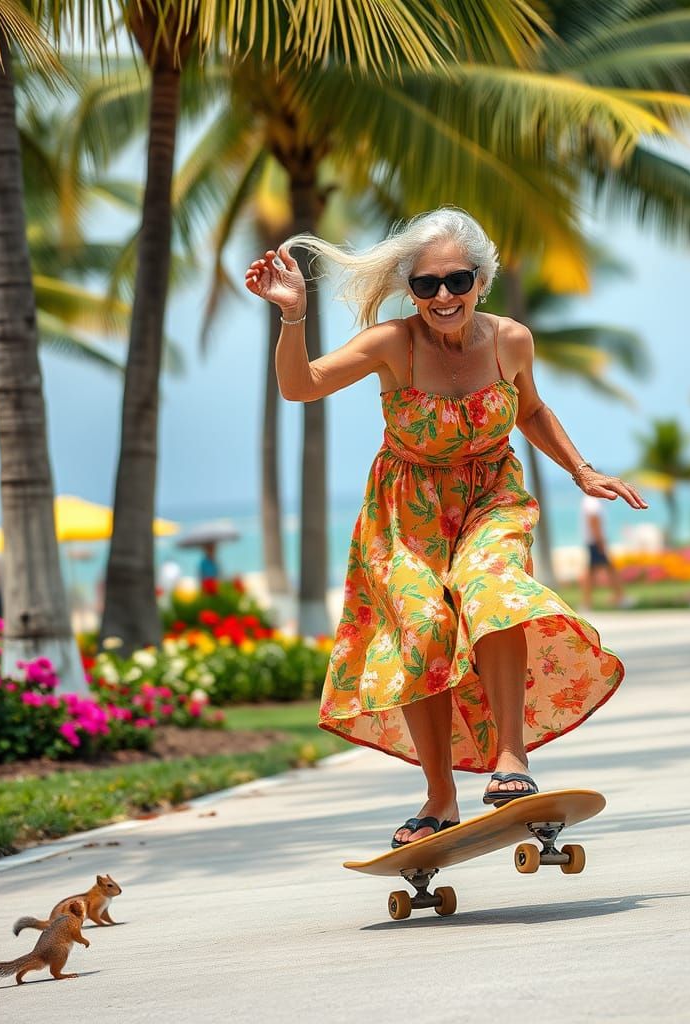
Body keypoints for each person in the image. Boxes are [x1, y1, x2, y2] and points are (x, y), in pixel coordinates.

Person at [244, 208, 648, 848]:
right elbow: (301, 386)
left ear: (480, 280)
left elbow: (532, 409)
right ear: (412, 291)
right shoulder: (392, 345)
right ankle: (440, 796)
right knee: (424, 626)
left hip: (492, 496)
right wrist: (292, 314)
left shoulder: (511, 340)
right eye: (427, 285)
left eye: (457, 280)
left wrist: (582, 472)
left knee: (493, 593)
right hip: (405, 513)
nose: (443, 297)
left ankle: (511, 759)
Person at [579, 492, 627, 611]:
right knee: (599, 571)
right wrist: (600, 542)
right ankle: (618, 597)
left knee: (597, 571)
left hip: (593, 541)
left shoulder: (590, 502)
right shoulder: (593, 503)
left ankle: (617, 597)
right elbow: (594, 523)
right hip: (595, 542)